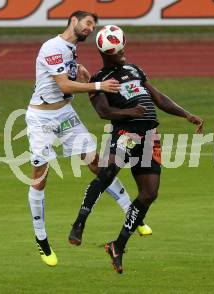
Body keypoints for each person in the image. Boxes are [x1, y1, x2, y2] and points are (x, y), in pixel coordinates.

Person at [26, 11, 152, 267]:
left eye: (93, 25)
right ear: (73, 20)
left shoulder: (70, 50)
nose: (90, 28)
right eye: (88, 23)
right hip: (41, 119)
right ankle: (42, 240)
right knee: (40, 177)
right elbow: (62, 85)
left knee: (98, 165)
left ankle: (133, 215)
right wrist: (98, 87)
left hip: (64, 115)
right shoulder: (53, 46)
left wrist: (82, 73)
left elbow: (68, 79)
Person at [68, 40, 204, 274]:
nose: (123, 53)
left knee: (149, 193)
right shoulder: (100, 79)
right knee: (108, 173)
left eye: (122, 48)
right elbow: (103, 112)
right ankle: (79, 223)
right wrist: (129, 112)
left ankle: (117, 246)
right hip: (127, 133)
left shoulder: (135, 70)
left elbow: (159, 98)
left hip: (150, 136)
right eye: (118, 51)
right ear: (107, 54)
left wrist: (186, 114)